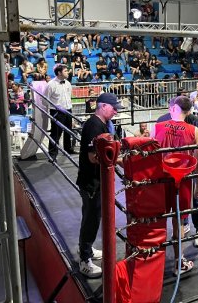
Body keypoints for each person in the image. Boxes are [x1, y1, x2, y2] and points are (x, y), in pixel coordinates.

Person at [153, 96, 198, 274]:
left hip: (161, 179)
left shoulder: (158, 126)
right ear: (189, 111)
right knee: (178, 222)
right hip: (182, 180)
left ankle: (154, 262)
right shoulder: (194, 130)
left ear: (173, 108)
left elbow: (151, 154)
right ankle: (177, 262)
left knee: (158, 219)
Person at [76, 92, 123, 278]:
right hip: (91, 183)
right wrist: (117, 160)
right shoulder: (94, 125)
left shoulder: (102, 124)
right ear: (103, 106)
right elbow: (93, 156)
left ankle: (86, 249)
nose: (116, 112)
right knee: (91, 219)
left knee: (94, 217)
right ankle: (84, 259)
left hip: (96, 181)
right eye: (113, 108)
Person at [44, 64, 74, 160]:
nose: (68, 72)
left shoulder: (68, 83)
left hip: (68, 110)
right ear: (59, 73)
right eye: (65, 71)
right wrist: (54, 108)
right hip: (57, 111)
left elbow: (68, 97)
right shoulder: (51, 84)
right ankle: (52, 154)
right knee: (56, 133)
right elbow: (44, 100)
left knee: (68, 131)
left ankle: (68, 149)